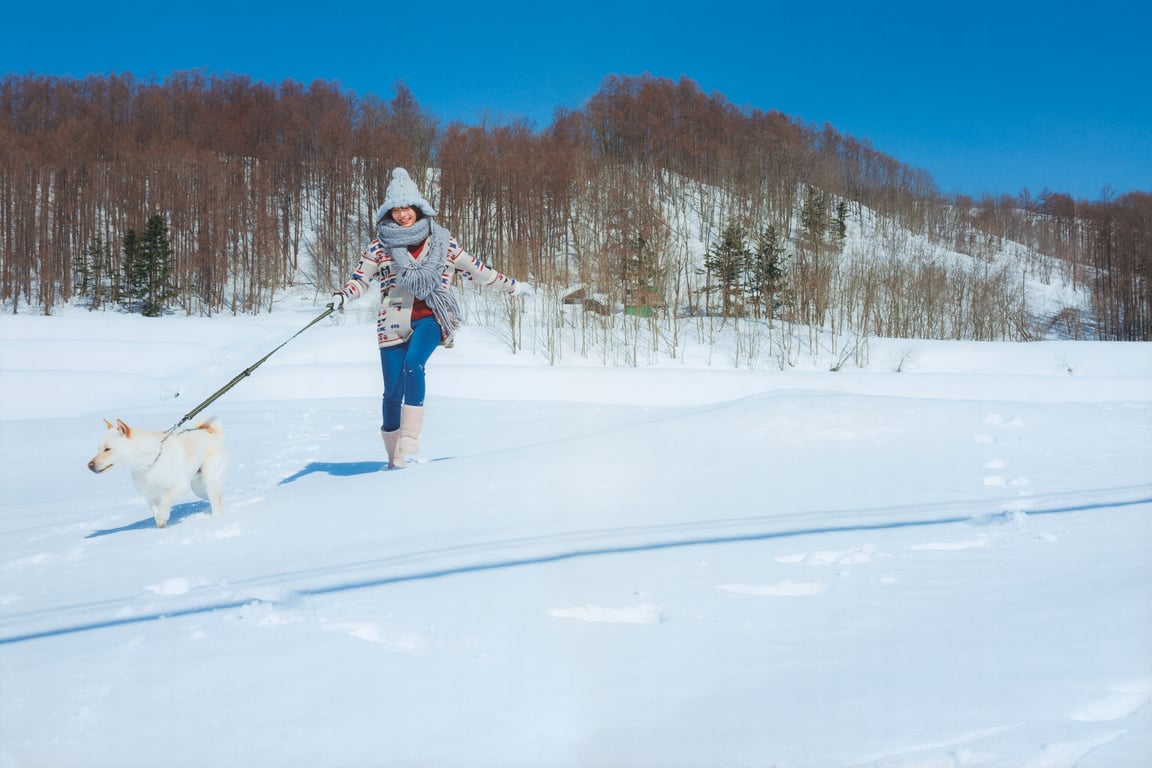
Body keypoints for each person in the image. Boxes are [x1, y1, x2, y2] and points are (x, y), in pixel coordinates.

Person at [331, 167, 533, 468]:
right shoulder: (380, 246)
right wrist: (342, 296)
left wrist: (512, 286)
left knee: (414, 364)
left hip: (432, 316)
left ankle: (410, 438)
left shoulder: (442, 242)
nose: (402, 215)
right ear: (389, 213)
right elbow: (360, 279)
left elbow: (477, 270)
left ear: (418, 207)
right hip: (392, 321)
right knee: (391, 393)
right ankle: (394, 459)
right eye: (396, 210)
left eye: (407, 208)